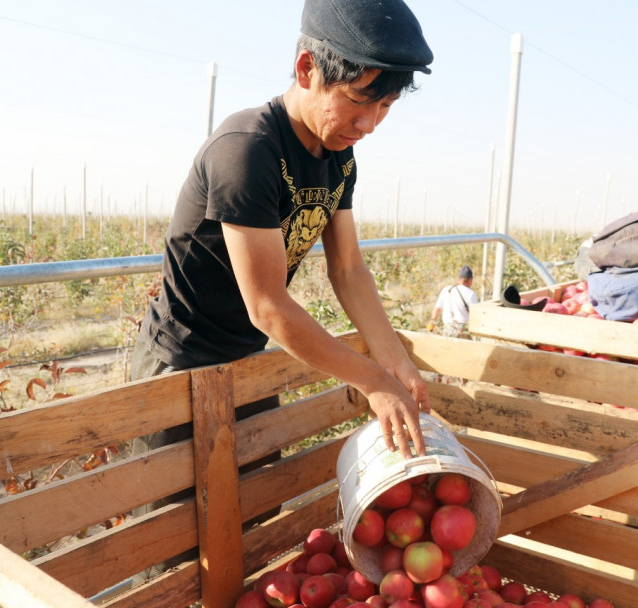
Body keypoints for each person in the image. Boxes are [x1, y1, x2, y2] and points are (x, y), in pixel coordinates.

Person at [130, 0, 433, 463]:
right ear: (307, 67)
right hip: (182, 359)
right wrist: (372, 380)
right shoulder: (247, 150)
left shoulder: (339, 156)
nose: (368, 125)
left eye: (385, 106)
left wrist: (394, 361)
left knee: (256, 504)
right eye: (356, 100)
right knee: (172, 522)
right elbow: (267, 307)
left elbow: (349, 269)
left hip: (247, 358)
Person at [430, 265, 479, 338]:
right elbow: (476, 315)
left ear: (459, 279)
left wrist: (431, 324)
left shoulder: (446, 290)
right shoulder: (470, 293)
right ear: (469, 280)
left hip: (448, 330)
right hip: (463, 331)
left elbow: (437, 310)